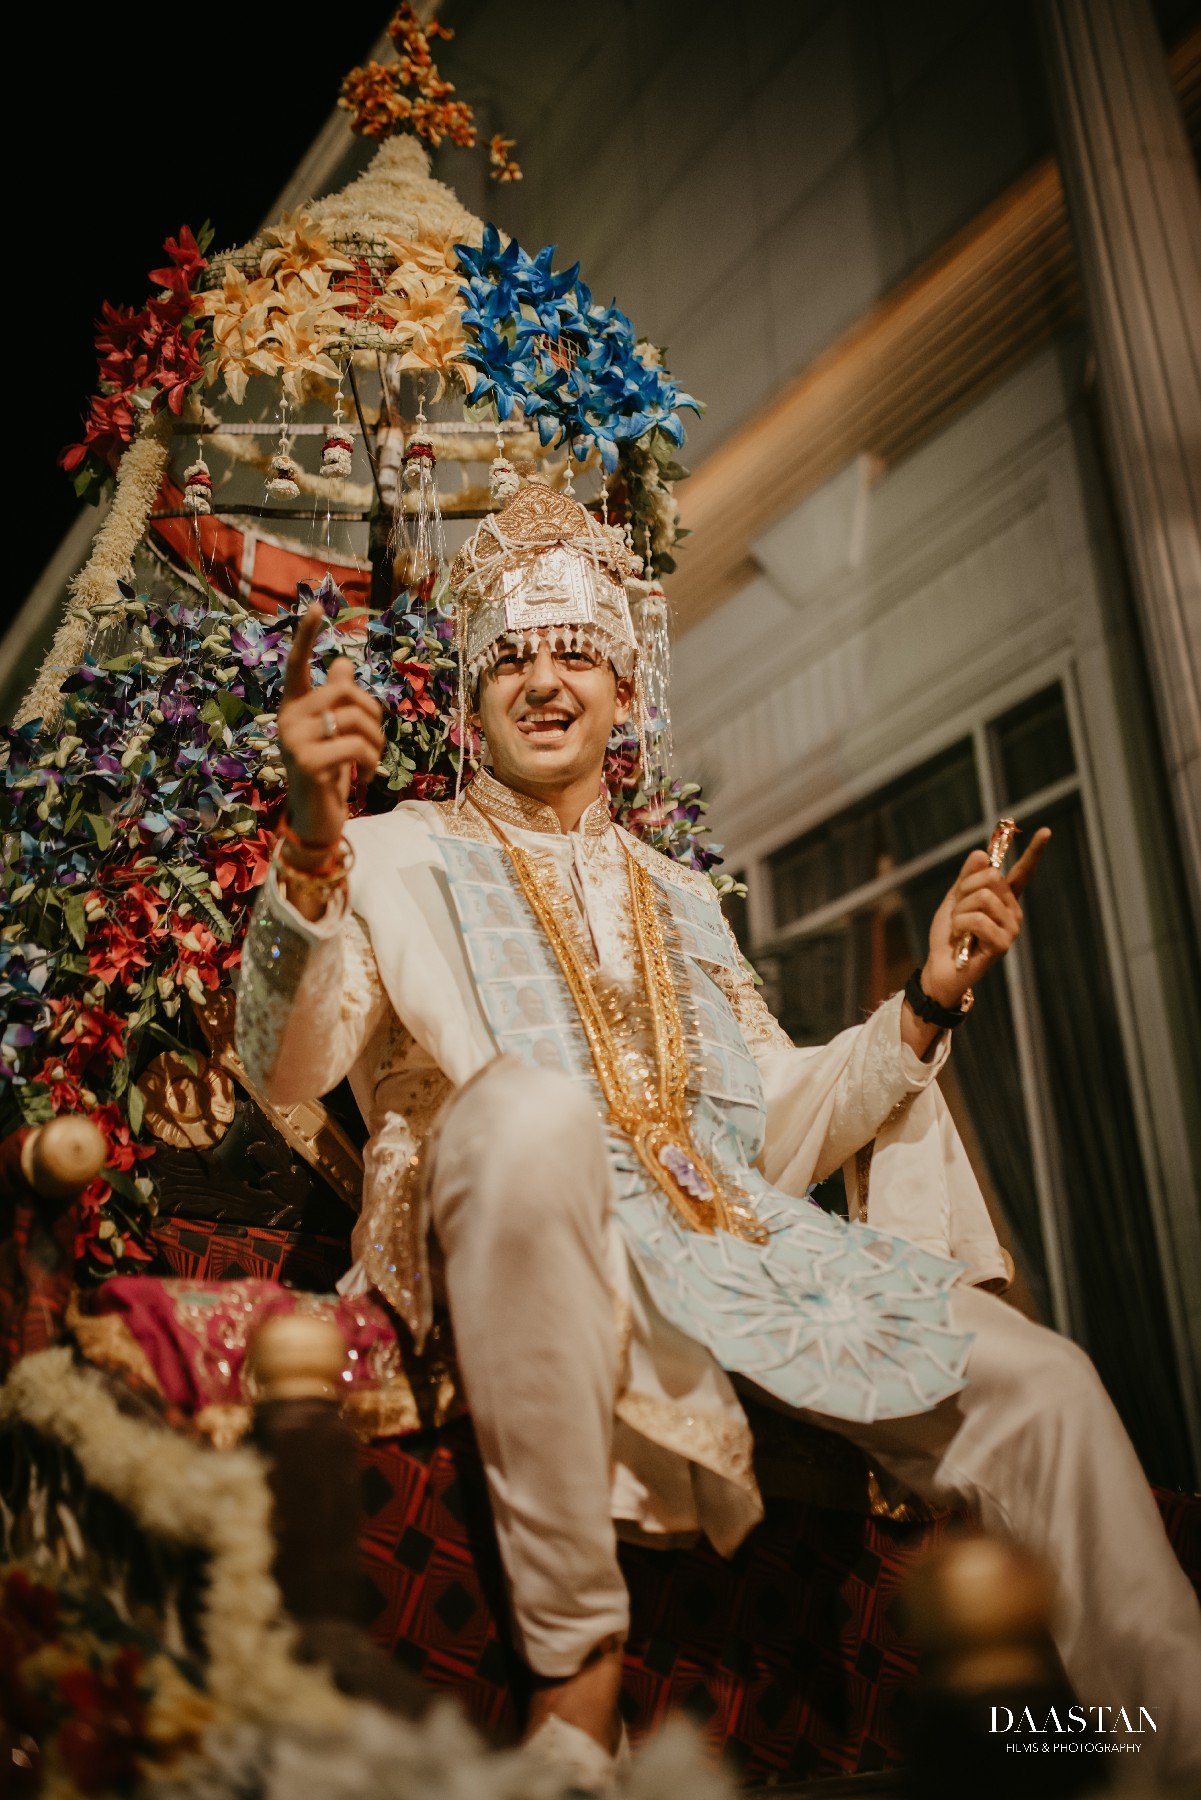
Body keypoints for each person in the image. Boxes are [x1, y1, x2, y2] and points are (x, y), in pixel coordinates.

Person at [236, 481, 1201, 1789]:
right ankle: (576, 1685)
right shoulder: (395, 850)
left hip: (721, 1237)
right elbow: (287, 1059)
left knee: (1048, 1387)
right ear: (467, 703)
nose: (542, 681)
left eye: (574, 652)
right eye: (510, 658)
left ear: (623, 694)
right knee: (527, 1110)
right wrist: (308, 839)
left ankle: (1171, 1748)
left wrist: (924, 1000)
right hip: (518, 1209)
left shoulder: (675, 896)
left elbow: (770, 1129)